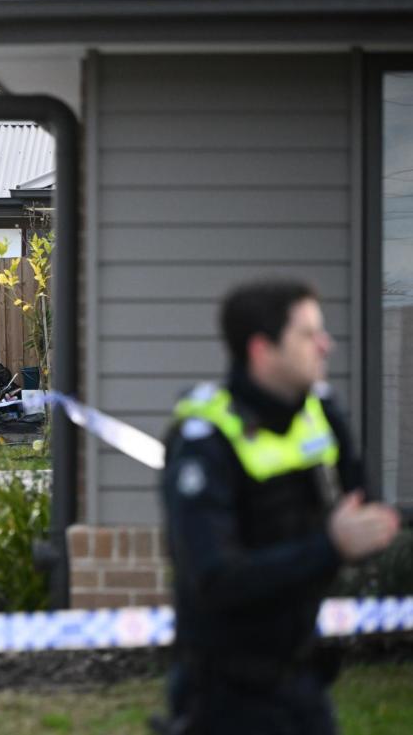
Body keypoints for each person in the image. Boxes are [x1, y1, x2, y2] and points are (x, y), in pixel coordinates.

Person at [159, 279, 399, 735]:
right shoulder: (205, 441)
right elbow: (215, 577)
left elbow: (365, 512)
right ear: (262, 349)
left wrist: (363, 529)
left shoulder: (320, 413)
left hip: (301, 681)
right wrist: (330, 547)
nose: (326, 346)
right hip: (226, 696)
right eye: (308, 335)